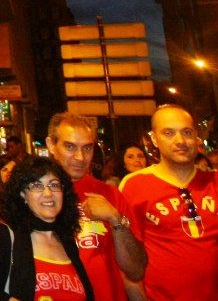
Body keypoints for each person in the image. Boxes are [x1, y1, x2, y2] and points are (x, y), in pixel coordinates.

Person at [120, 104, 218, 301]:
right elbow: (128, 261)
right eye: (168, 133)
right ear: (154, 139)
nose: (180, 141)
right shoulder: (134, 186)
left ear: (196, 136)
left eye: (186, 132)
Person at [45, 112, 146, 301]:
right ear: (51, 145)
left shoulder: (110, 194)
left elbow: (136, 270)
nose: (80, 157)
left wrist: (115, 220)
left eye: (87, 148)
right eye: (70, 147)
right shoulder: (34, 196)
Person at [0, 155, 93, 301]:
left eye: (54, 185)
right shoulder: (2, 236)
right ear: (23, 194)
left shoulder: (67, 240)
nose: (48, 193)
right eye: (37, 186)